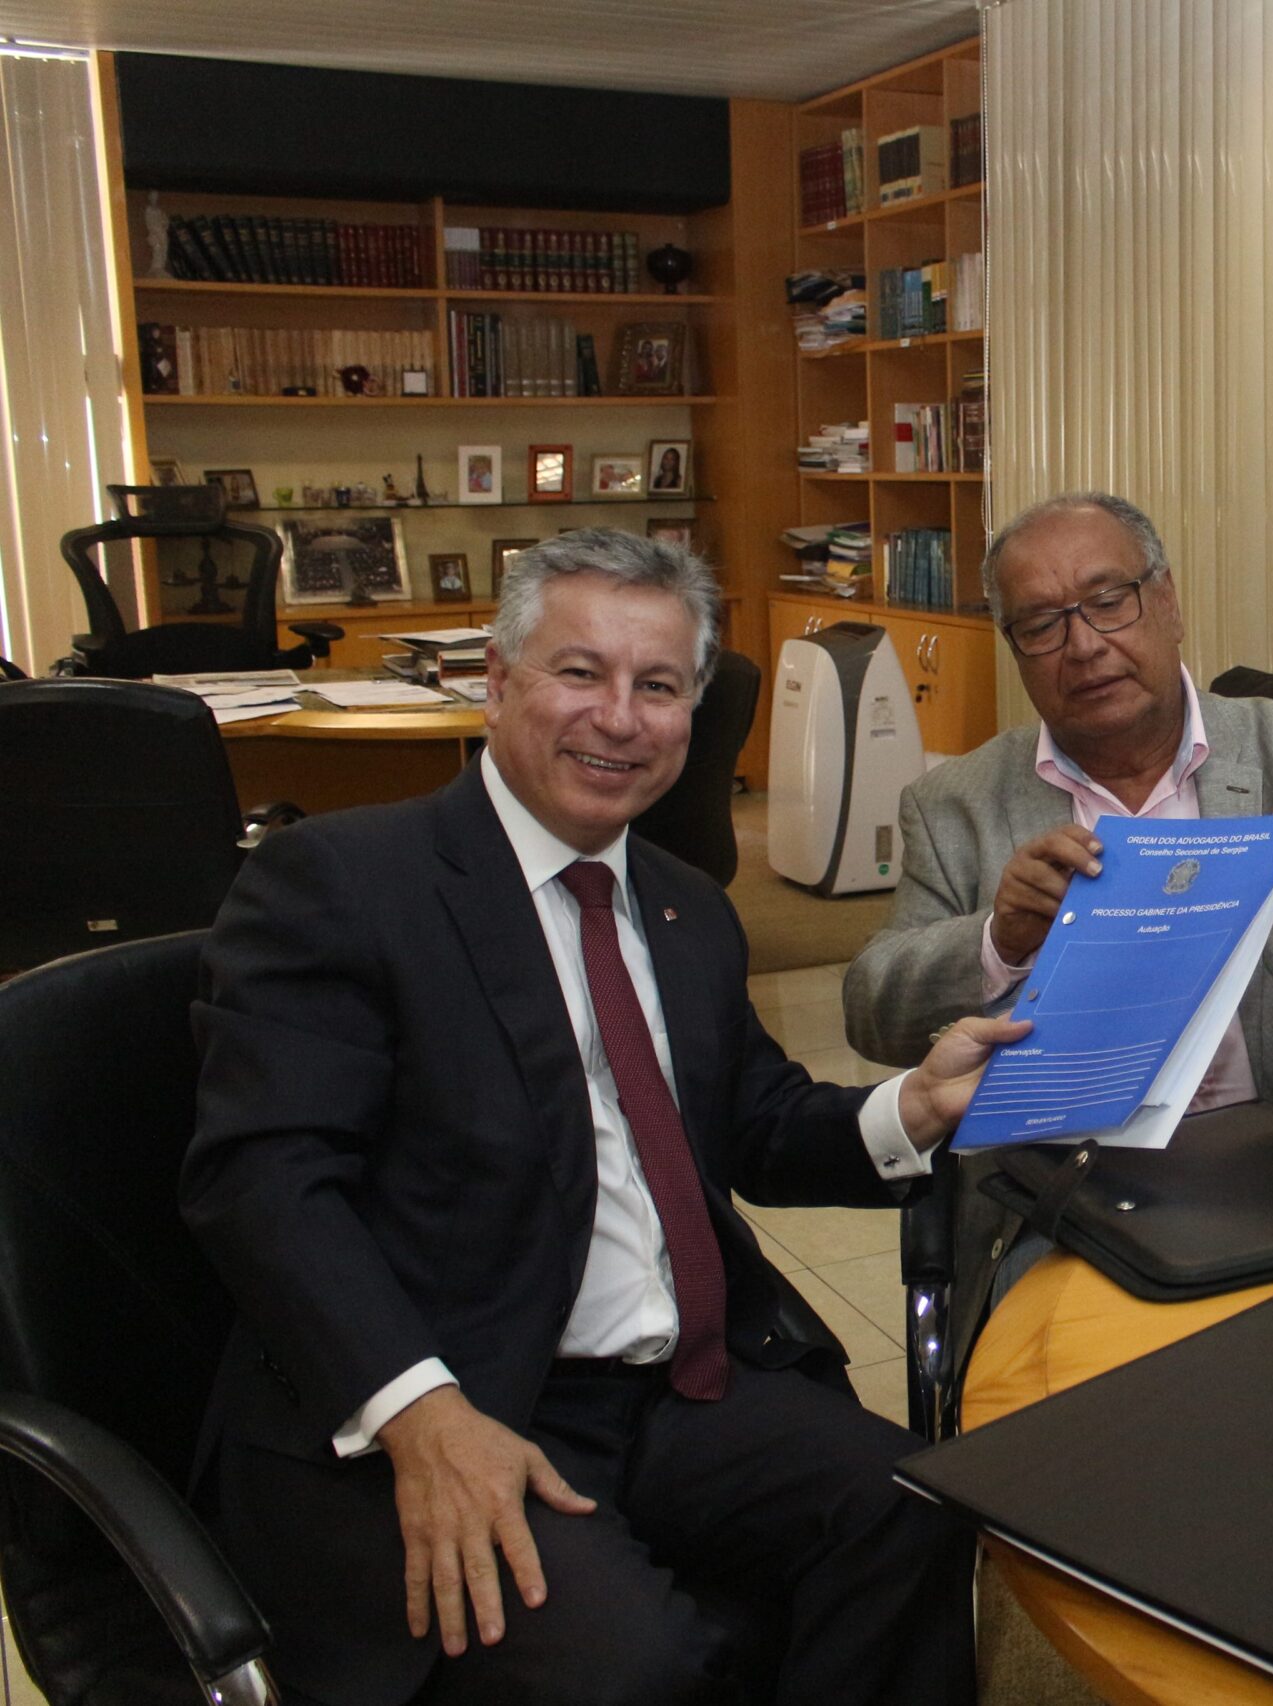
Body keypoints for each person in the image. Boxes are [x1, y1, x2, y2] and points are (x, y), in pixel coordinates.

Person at [185, 528, 1018, 1705]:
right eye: (580, 672)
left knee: (917, 1504)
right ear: (498, 680)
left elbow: (756, 1120)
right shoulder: (341, 880)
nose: (620, 718)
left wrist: (912, 1105)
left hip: (672, 1389)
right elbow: (263, 1183)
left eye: (659, 685)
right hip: (452, 1387)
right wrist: (421, 1411)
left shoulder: (684, 906)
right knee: (635, 1668)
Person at [843, 490, 1273, 1126]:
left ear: (1168, 603)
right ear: (1014, 647)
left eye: (1109, 603)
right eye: (1042, 625)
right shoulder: (954, 803)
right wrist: (1000, 942)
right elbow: (873, 1016)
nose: (1084, 646)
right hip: (1069, 1164)